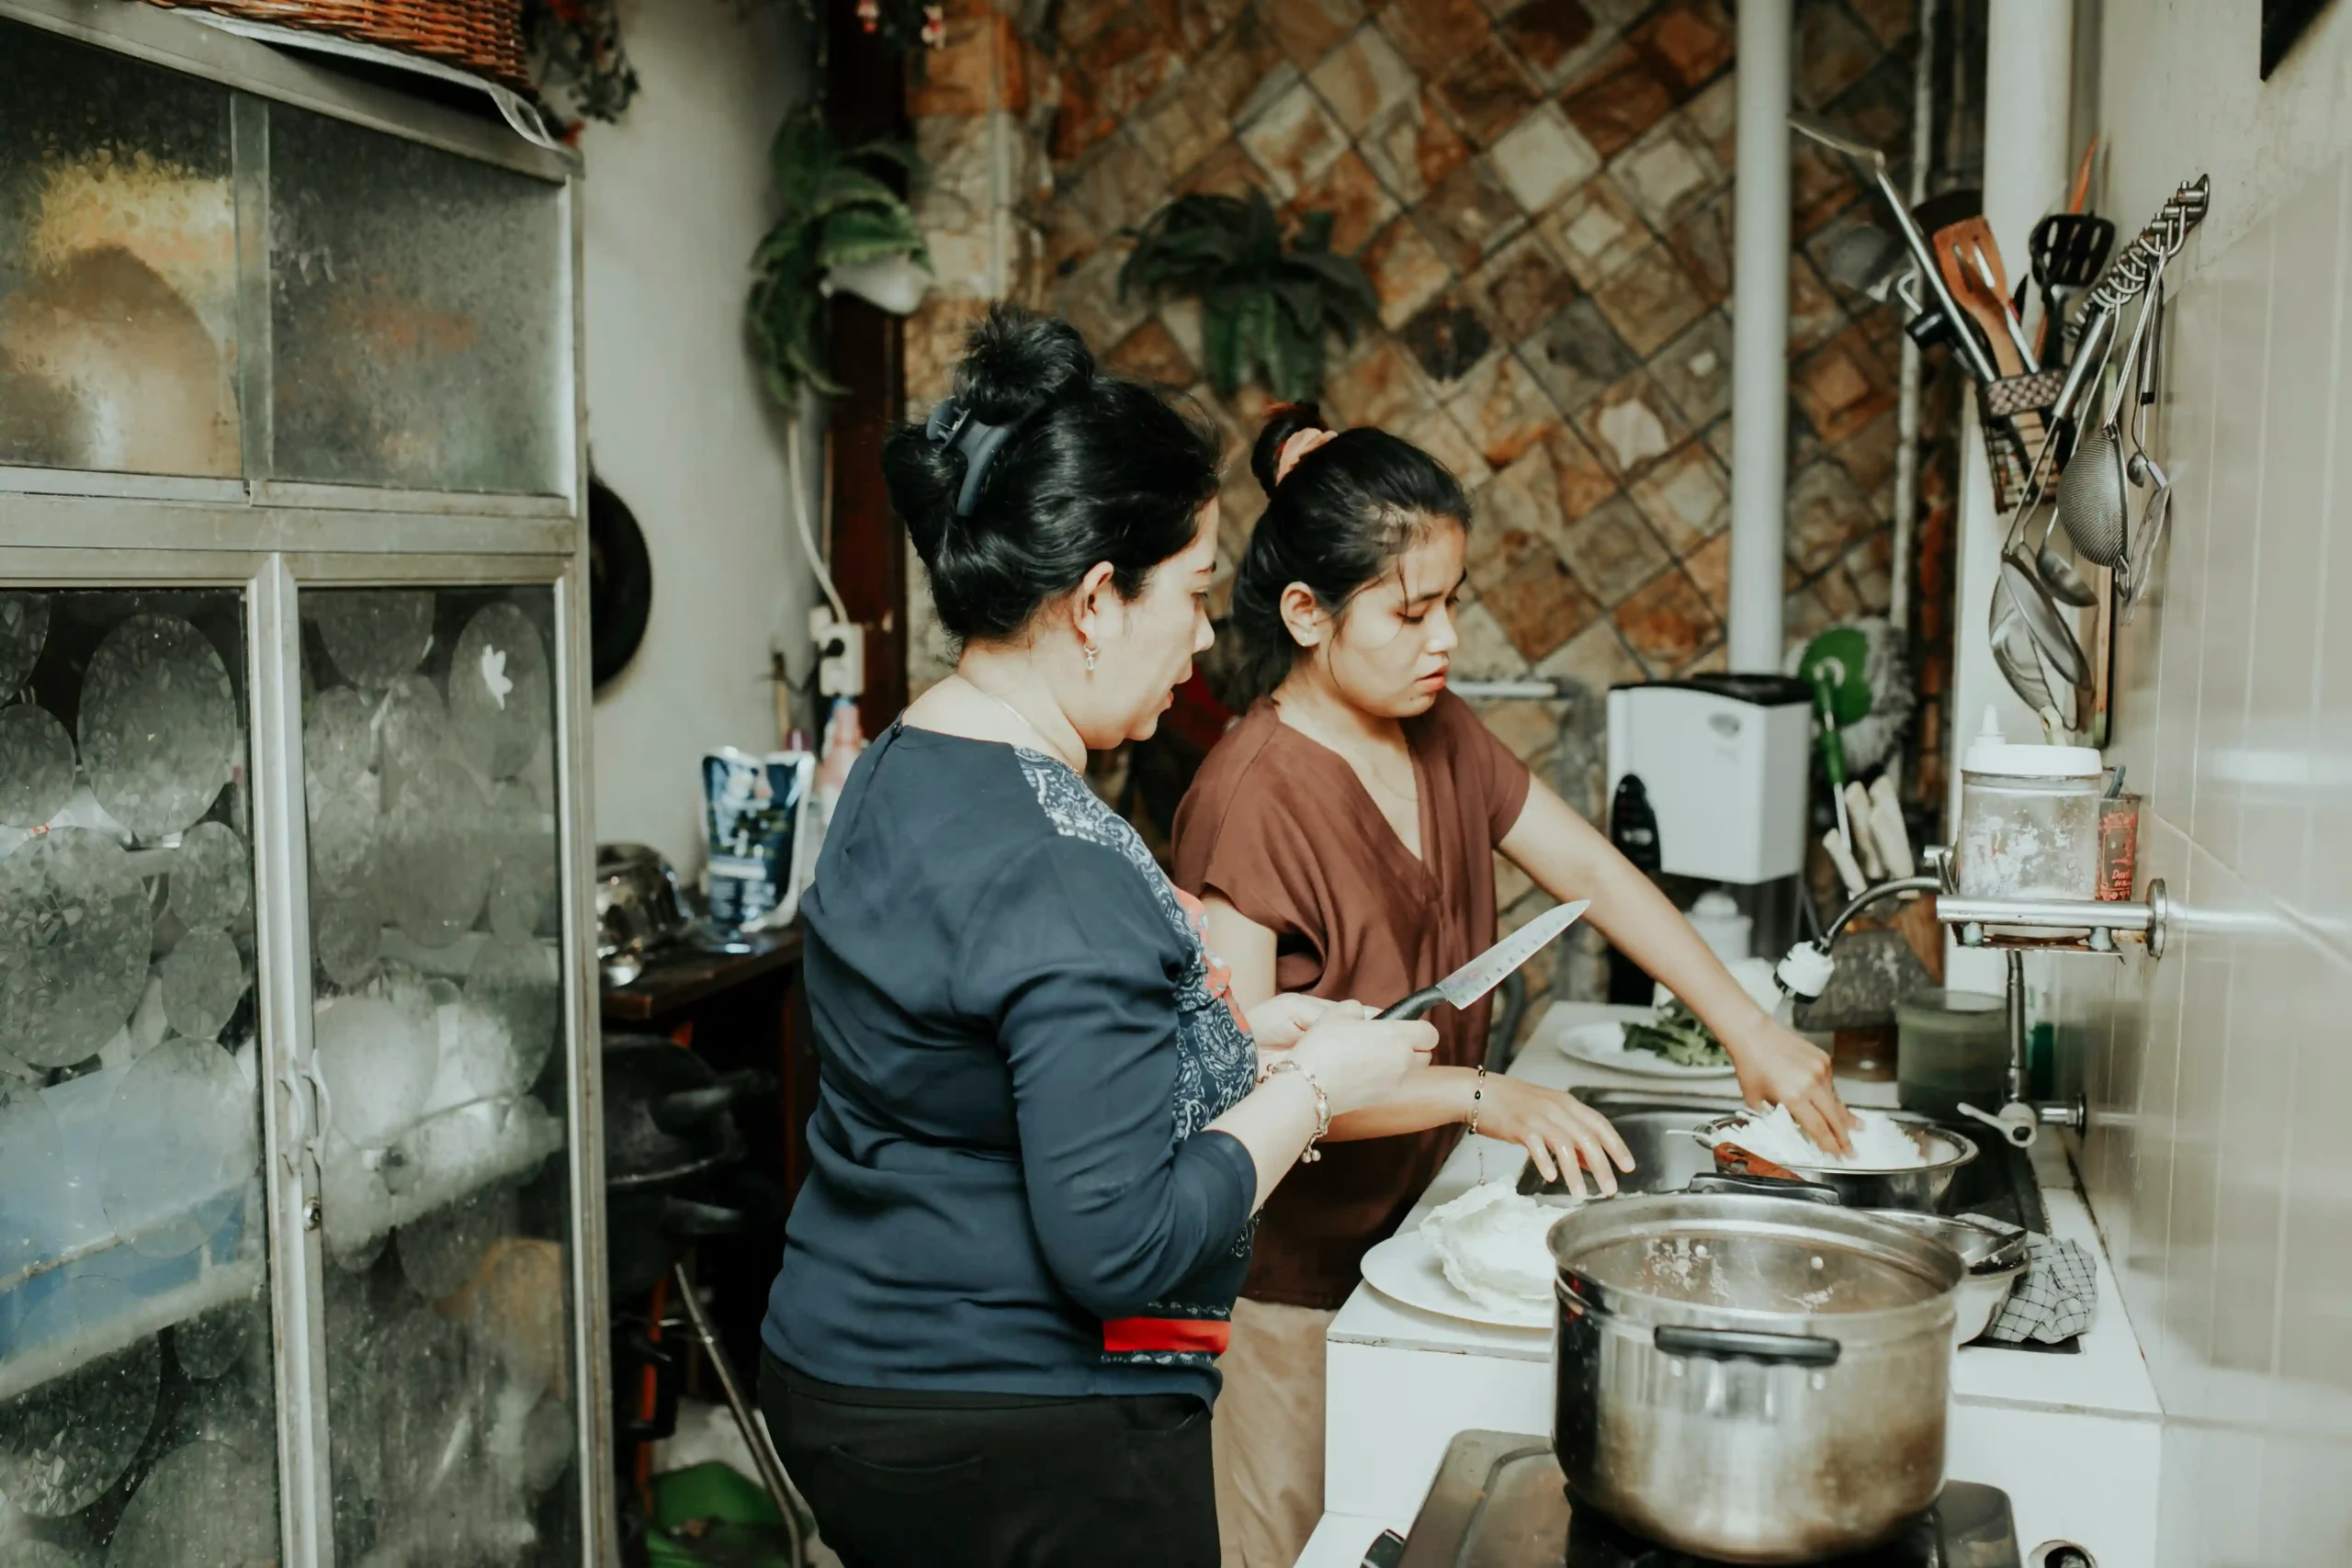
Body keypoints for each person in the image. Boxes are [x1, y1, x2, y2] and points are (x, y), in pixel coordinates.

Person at [759, 316, 1439, 1568]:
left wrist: (1231, 1028)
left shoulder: (905, 765)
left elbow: (978, 1048)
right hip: (1017, 1418)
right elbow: (1124, 1243)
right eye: (1187, 595)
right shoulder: (1059, 858)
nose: (1199, 642)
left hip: (845, 1367)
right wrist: (1310, 1086)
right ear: (1090, 601)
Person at [1169, 403, 1859, 1568]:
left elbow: (1590, 867)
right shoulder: (1249, 799)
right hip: (1286, 1295)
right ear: (1306, 614)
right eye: (1409, 611)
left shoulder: (1440, 733)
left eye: (1453, 602)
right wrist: (1478, 1096)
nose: (1444, 638)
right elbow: (1247, 1097)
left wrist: (1748, 1029)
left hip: (1413, 1242)